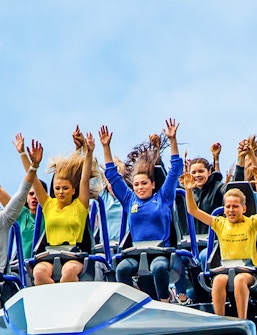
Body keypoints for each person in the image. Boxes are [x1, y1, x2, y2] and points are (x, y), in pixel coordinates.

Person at [99, 119, 183, 302]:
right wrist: (106, 147)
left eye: (144, 183)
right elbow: (112, 176)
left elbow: (176, 169)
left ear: (152, 184)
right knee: (121, 269)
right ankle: (139, 299)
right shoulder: (130, 200)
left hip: (161, 253)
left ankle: (166, 300)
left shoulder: (163, 197)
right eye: (136, 184)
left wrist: (173, 140)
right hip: (136, 253)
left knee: (159, 268)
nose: (140, 187)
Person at [183, 166, 257, 319]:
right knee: (219, 281)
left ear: (244, 208)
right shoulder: (219, 223)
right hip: (225, 270)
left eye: (235, 206)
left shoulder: (252, 222)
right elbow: (193, 211)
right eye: (228, 206)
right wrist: (188, 190)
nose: (231, 210)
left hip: (248, 271)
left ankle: (242, 320)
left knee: (240, 280)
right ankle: (220, 322)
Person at [15, 132, 94, 285]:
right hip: (50, 253)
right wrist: (23, 154)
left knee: (68, 272)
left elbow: (84, 179)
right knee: (38, 273)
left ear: (73, 190)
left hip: (73, 254)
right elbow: (33, 180)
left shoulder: (79, 205)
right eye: (57, 188)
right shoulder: (48, 204)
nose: (61, 191)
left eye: (65, 188)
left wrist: (88, 152)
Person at [0, 138, 43, 274]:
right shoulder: (23, 215)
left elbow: (25, 188)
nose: (34, 197)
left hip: (41, 266)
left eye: (37, 194)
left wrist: (26, 157)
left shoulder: (50, 213)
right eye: (31, 194)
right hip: (22, 267)